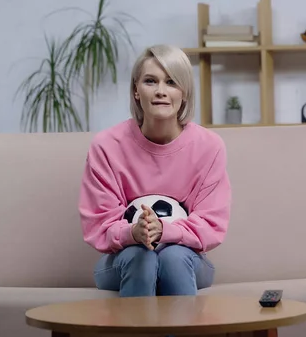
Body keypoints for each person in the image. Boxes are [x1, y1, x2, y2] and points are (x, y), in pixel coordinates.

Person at [78, 44, 231, 297]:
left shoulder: (209, 147)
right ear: (136, 91)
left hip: (187, 259)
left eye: (171, 82)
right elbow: (99, 225)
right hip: (124, 259)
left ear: (185, 93)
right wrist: (133, 232)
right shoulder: (106, 146)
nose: (161, 91)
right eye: (150, 81)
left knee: (172, 258)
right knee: (143, 258)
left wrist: (165, 230)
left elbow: (211, 224)